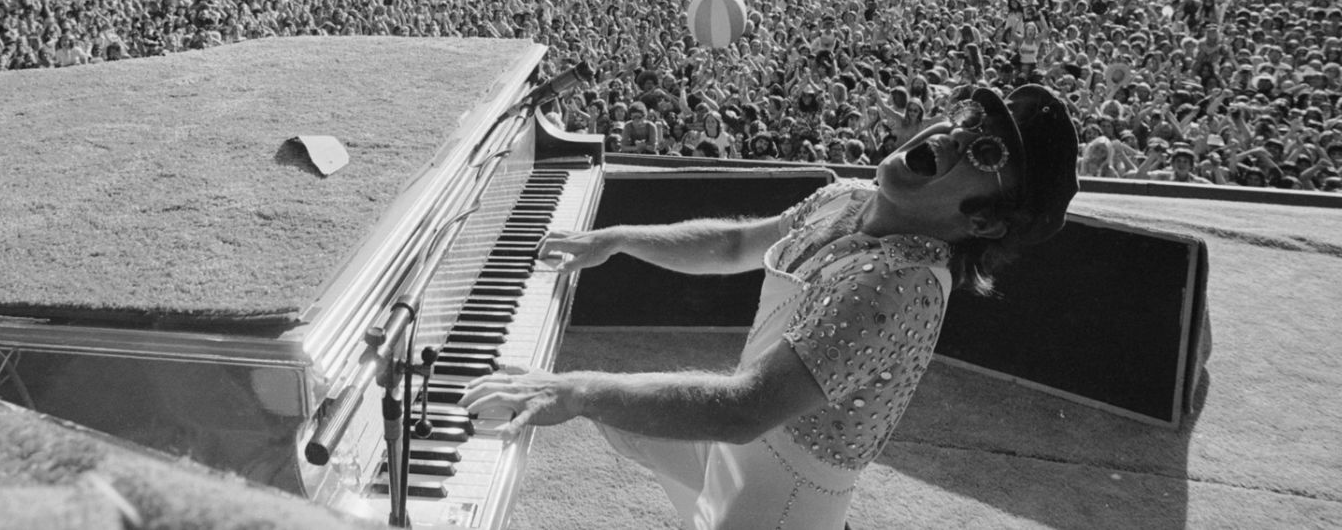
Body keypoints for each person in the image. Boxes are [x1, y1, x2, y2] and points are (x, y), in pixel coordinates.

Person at [462, 84, 1079, 530]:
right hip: (744, 454)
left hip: (783, 506)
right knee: (619, 412)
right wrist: (618, 239)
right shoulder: (846, 198)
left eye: (986, 154)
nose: (954, 137)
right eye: (964, 120)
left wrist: (572, 389)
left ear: (990, 221)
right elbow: (732, 244)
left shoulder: (898, 284)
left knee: (601, 403)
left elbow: (744, 407)